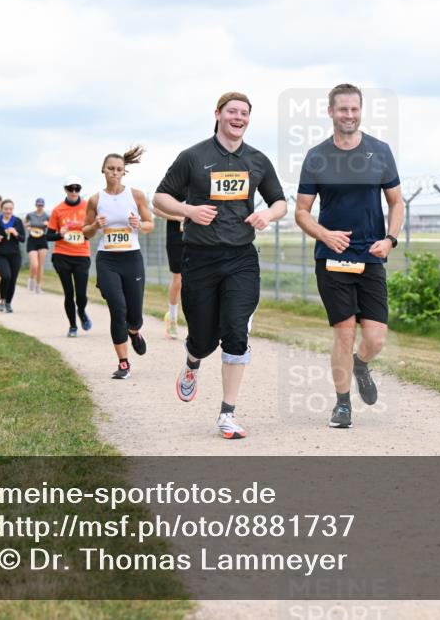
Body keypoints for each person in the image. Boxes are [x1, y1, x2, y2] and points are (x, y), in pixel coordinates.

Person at [154, 92, 287, 439]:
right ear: (218, 114)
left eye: (244, 113)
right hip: (200, 257)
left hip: (241, 258)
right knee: (203, 339)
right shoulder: (194, 157)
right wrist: (188, 211)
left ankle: (227, 414)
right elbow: (160, 196)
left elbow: (280, 202)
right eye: (232, 112)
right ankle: (193, 361)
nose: (238, 118)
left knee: (235, 330)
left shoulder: (257, 160)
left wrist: (266, 214)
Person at [295, 84, 404, 429]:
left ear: (361, 111)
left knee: (375, 338)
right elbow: (301, 211)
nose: (349, 115)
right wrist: (324, 234)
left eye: (355, 109)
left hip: (371, 255)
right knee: (343, 332)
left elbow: (397, 202)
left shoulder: (380, 151)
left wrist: (390, 240)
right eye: (343, 110)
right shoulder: (317, 157)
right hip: (332, 257)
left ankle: (361, 364)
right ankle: (342, 405)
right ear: (330, 112)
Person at [83, 146, 154, 379]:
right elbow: (85, 232)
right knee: (117, 308)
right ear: (103, 170)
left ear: (124, 172)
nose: (115, 173)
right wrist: (95, 226)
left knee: (134, 315)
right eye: (111, 169)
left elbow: (149, 224)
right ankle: (124, 363)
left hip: (131, 258)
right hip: (108, 259)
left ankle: (134, 331)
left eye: (119, 169)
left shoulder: (136, 195)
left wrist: (139, 225)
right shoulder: (95, 199)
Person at [48, 176, 93, 337]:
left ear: (80, 189)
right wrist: (60, 234)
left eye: (77, 188)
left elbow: (91, 233)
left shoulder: (87, 207)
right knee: (69, 293)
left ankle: (81, 311)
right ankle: (73, 326)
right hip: (62, 255)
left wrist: (84, 233)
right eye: (70, 188)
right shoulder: (58, 210)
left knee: (81, 294)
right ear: (65, 189)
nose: (74, 192)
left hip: (81, 255)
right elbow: (48, 236)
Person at [0, 199, 26, 313]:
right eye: (6, 209)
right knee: (6, 277)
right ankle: (2, 299)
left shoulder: (18, 221)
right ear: (2, 209)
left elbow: (23, 239)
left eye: (10, 209)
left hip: (15, 255)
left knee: (13, 280)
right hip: (1, 254)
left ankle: (8, 303)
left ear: (13, 209)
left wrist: (15, 233)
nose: (8, 211)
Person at [152, 207, 185, 340]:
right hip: (176, 238)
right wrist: (180, 217)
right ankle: (172, 319)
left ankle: (198, 323)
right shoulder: (174, 187)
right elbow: (156, 209)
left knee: (198, 280)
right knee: (178, 278)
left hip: (199, 236)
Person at [25, 198, 50, 293]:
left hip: (42, 239)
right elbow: (26, 224)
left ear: (44, 206)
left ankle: (38, 287)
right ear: (35, 205)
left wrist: (48, 224)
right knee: (34, 264)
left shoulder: (47, 216)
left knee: (40, 265)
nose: (40, 207)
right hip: (32, 239)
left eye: (41, 205)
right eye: (38, 205)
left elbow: (51, 227)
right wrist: (28, 227)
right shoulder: (30, 215)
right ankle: (31, 279)